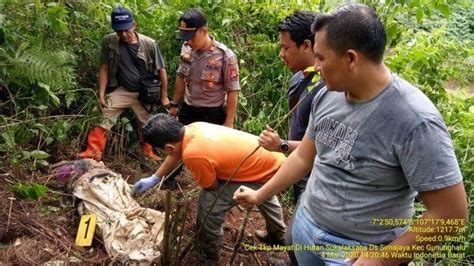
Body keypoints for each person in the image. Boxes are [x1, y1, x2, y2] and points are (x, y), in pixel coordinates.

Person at [234, 3, 468, 265]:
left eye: (321, 58)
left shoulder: (415, 121)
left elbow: (451, 213)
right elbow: (304, 157)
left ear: (351, 59)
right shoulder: (326, 94)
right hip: (307, 227)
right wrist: (259, 195)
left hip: (357, 253)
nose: (316, 66)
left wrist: (383, 259)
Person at [132, 114, 287, 261]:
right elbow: (175, 153)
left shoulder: (193, 154)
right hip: (276, 162)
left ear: (168, 147)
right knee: (265, 193)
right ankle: (278, 235)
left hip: (264, 173)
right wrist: (155, 177)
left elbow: (211, 186)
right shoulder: (193, 128)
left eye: (162, 150)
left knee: (208, 201)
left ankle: (208, 252)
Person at [78, 7, 169, 161]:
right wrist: (101, 94)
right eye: (119, 31)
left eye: (126, 30)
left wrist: (164, 96)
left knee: (148, 125)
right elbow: (104, 68)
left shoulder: (149, 44)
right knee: (101, 112)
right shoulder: (109, 41)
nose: (123, 34)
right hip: (122, 90)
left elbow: (162, 71)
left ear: (134, 25)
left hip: (144, 93)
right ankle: (94, 150)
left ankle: (148, 152)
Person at [259, 11, 324, 205]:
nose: (281, 54)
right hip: (298, 163)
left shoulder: (326, 88)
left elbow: (321, 146)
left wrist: (282, 145)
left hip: (315, 171)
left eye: (285, 48)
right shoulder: (298, 78)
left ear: (306, 45)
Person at [169, 8, 240, 128]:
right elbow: (181, 77)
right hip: (188, 110)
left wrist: (229, 122)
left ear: (204, 31)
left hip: (212, 114)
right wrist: (174, 104)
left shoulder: (225, 56)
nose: (189, 41)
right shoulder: (186, 49)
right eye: (186, 38)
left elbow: (232, 90)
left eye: (192, 37)